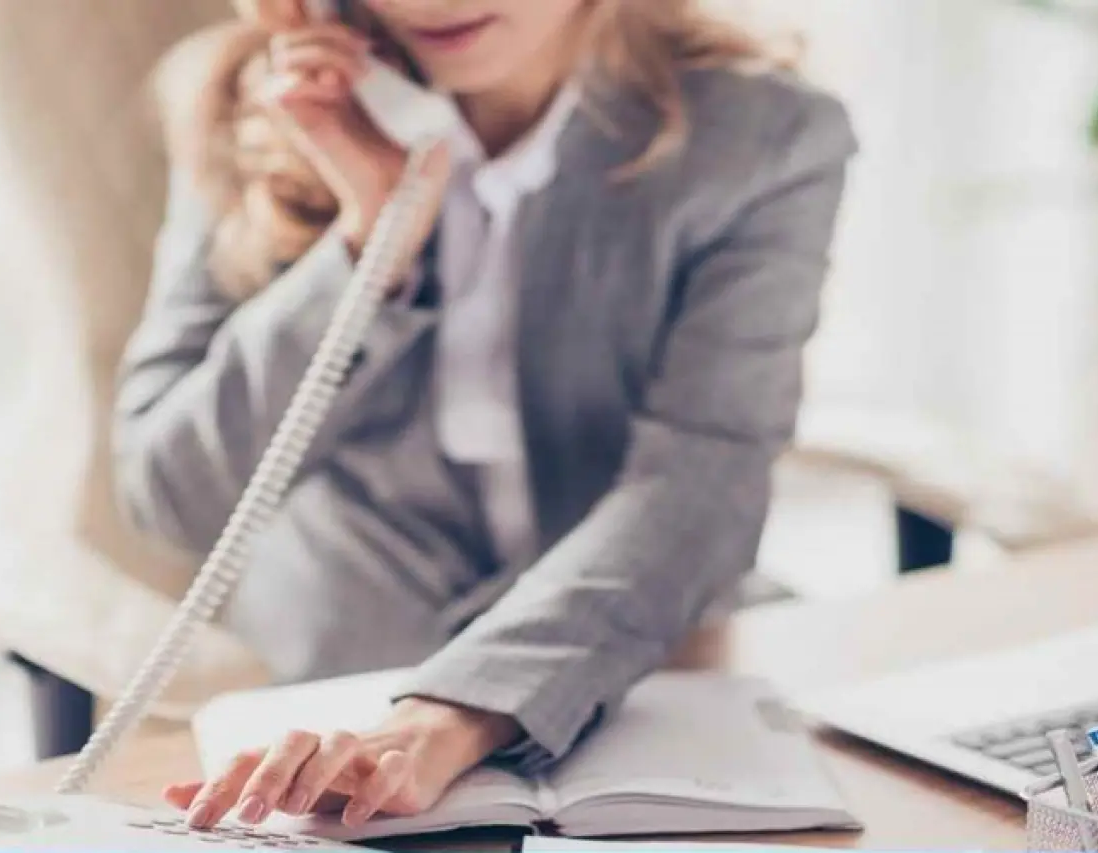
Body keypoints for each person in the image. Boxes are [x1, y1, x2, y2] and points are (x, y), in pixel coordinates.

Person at [115, 0, 857, 832]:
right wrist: (370, 245)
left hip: (632, 670)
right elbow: (169, 495)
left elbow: (703, 479)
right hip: (337, 679)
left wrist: (458, 710)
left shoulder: (764, 137)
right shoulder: (260, 106)